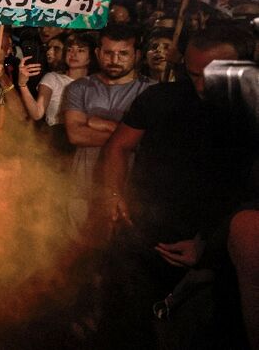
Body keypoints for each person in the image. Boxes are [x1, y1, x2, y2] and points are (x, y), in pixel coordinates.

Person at [99, 26, 255, 348]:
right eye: (192, 73)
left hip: (214, 255)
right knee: (123, 329)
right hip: (142, 238)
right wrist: (113, 195)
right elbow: (116, 147)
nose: (201, 85)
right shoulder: (160, 98)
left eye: (213, 75)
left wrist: (209, 246)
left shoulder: (252, 113)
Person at [63, 23, 152, 241]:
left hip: (129, 190)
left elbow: (150, 142)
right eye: (108, 53)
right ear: (97, 53)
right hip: (83, 188)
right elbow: (76, 135)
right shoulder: (79, 88)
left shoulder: (151, 91)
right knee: (79, 255)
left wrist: (97, 123)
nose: (115, 60)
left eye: (123, 54)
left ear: (137, 55)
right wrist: (128, 136)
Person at [16, 31, 95, 165]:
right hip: (56, 142)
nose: (73, 54)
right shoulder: (53, 78)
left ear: (91, 57)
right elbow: (37, 113)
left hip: (88, 145)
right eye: (69, 49)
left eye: (80, 50)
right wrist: (22, 84)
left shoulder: (96, 83)